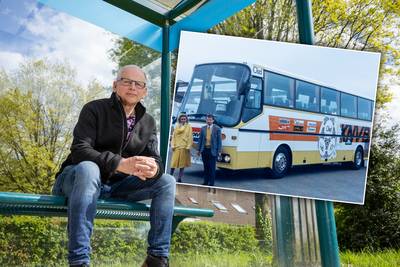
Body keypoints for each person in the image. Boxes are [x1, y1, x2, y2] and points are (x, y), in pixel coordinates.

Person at [52, 65, 175, 267]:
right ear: (115, 85)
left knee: (166, 181)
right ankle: (79, 261)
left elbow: (156, 159)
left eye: (139, 84)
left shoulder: (148, 122)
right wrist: (120, 163)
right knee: (88, 168)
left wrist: (155, 169)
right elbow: (80, 150)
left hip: (116, 187)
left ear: (144, 91)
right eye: (127, 81)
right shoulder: (94, 109)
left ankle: (157, 258)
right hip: (76, 180)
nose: (132, 87)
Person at [197, 114, 222, 186]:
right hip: (204, 150)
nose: (209, 121)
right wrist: (199, 150)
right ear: (206, 120)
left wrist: (219, 151)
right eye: (207, 119)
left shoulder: (217, 129)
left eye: (210, 120)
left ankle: (211, 183)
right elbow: (200, 140)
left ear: (213, 120)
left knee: (212, 168)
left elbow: (219, 141)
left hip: (213, 151)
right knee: (206, 167)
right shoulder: (203, 128)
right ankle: (205, 182)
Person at [170, 113, 193, 182]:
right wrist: (172, 145)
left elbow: (190, 137)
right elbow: (173, 136)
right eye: (182, 119)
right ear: (179, 119)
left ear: (186, 120)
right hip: (176, 147)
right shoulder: (176, 126)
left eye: (184, 119)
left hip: (184, 147)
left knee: (182, 165)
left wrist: (188, 146)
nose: (183, 120)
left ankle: (179, 178)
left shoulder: (189, 126)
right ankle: (170, 176)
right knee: (173, 163)